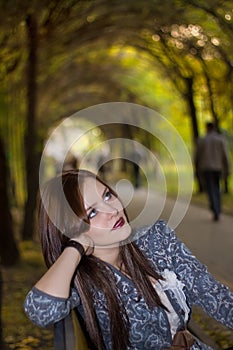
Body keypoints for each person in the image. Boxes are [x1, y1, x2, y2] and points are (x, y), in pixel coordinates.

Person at [24, 169, 233, 350]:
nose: (113, 210)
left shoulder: (156, 239)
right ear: (71, 230)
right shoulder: (82, 283)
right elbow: (40, 310)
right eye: (93, 212)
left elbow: (212, 294)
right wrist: (76, 247)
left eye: (107, 195)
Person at [195, 122, 231, 221]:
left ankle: (215, 208)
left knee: (210, 189)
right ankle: (217, 208)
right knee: (217, 187)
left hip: (206, 168)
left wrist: (196, 168)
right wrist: (228, 168)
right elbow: (225, 155)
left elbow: (197, 156)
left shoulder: (202, 140)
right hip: (218, 168)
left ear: (207, 128)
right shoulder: (220, 139)